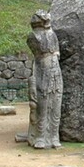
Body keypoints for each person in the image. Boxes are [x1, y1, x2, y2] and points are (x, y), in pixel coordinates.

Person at [26, 10, 62, 148]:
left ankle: (54, 136)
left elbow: (56, 52)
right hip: (42, 72)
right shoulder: (34, 36)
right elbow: (39, 54)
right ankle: (40, 136)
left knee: (56, 108)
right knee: (43, 107)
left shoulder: (52, 34)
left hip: (55, 73)